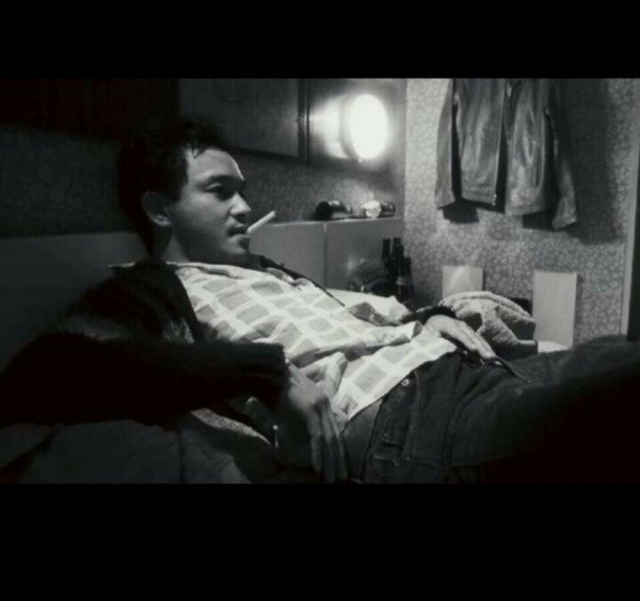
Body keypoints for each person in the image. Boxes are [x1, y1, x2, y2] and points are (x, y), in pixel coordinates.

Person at [3, 117, 640, 483]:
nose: (245, 207)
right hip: (410, 423)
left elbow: (356, 320)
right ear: (159, 209)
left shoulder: (268, 271)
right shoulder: (149, 289)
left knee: (617, 351)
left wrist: (434, 317)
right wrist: (267, 372)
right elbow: (42, 376)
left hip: (464, 373)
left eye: (243, 190)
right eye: (220, 191)